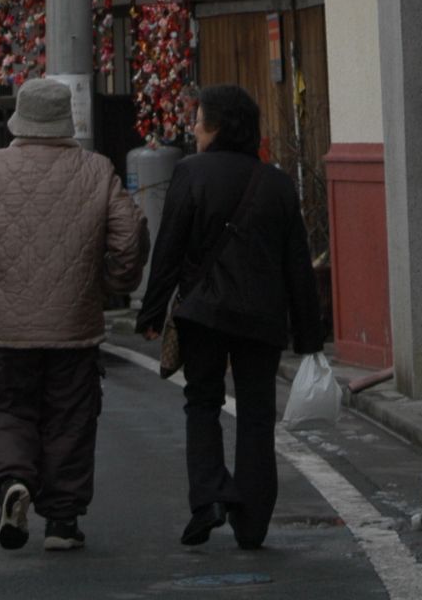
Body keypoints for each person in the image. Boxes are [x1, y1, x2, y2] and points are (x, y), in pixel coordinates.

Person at [0, 78, 147, 555]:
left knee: (5, 410)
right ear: (67, 120)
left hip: (3, 332)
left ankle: (11, 483)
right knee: (70, 419)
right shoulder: (96, 170)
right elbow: (128, 239)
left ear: (19, 121)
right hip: (75, 329)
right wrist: (112, 283)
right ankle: (63, 523)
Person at [137, 85, 324, 551]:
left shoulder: (190, 174)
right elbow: (297, 264)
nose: (193, 127)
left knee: (202, 403)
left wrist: (153, 310)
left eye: (198, 119)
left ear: (216, 126)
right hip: (262, 319)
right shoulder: (277, 183)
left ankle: (209, 499)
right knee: (257, 415)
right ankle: (253, 522)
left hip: (203, 314)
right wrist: (309, 337)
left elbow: (170, 249)